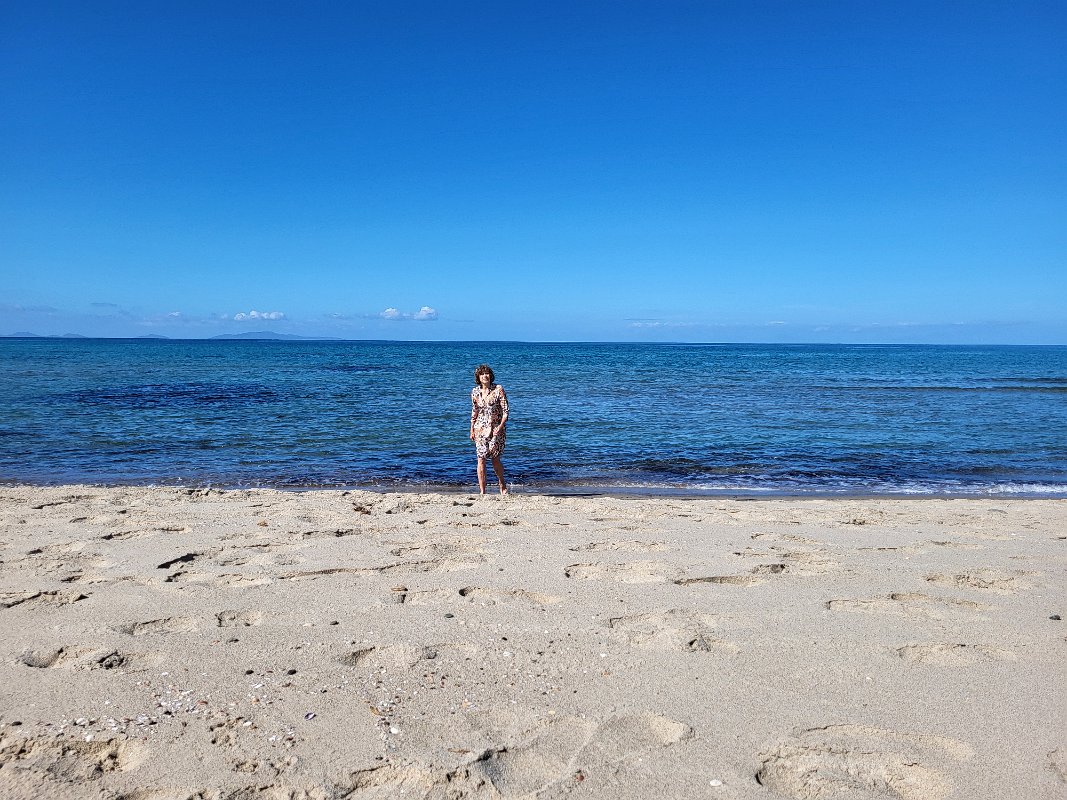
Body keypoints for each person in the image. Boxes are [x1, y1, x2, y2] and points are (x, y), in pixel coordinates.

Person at [470, 364, 508, 495]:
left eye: (487, 373)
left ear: (490, 376)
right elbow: (474, 412)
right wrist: (471, 429)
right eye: (482, 374)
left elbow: (505, 411)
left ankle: (502, 484)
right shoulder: (475, 392)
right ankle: (482, 491)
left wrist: (500, 426)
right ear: (478, 378)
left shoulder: (498, 389)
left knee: (495, 458)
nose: (485, 376)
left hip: (496, 429)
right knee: (481, 458)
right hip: (479, 429)